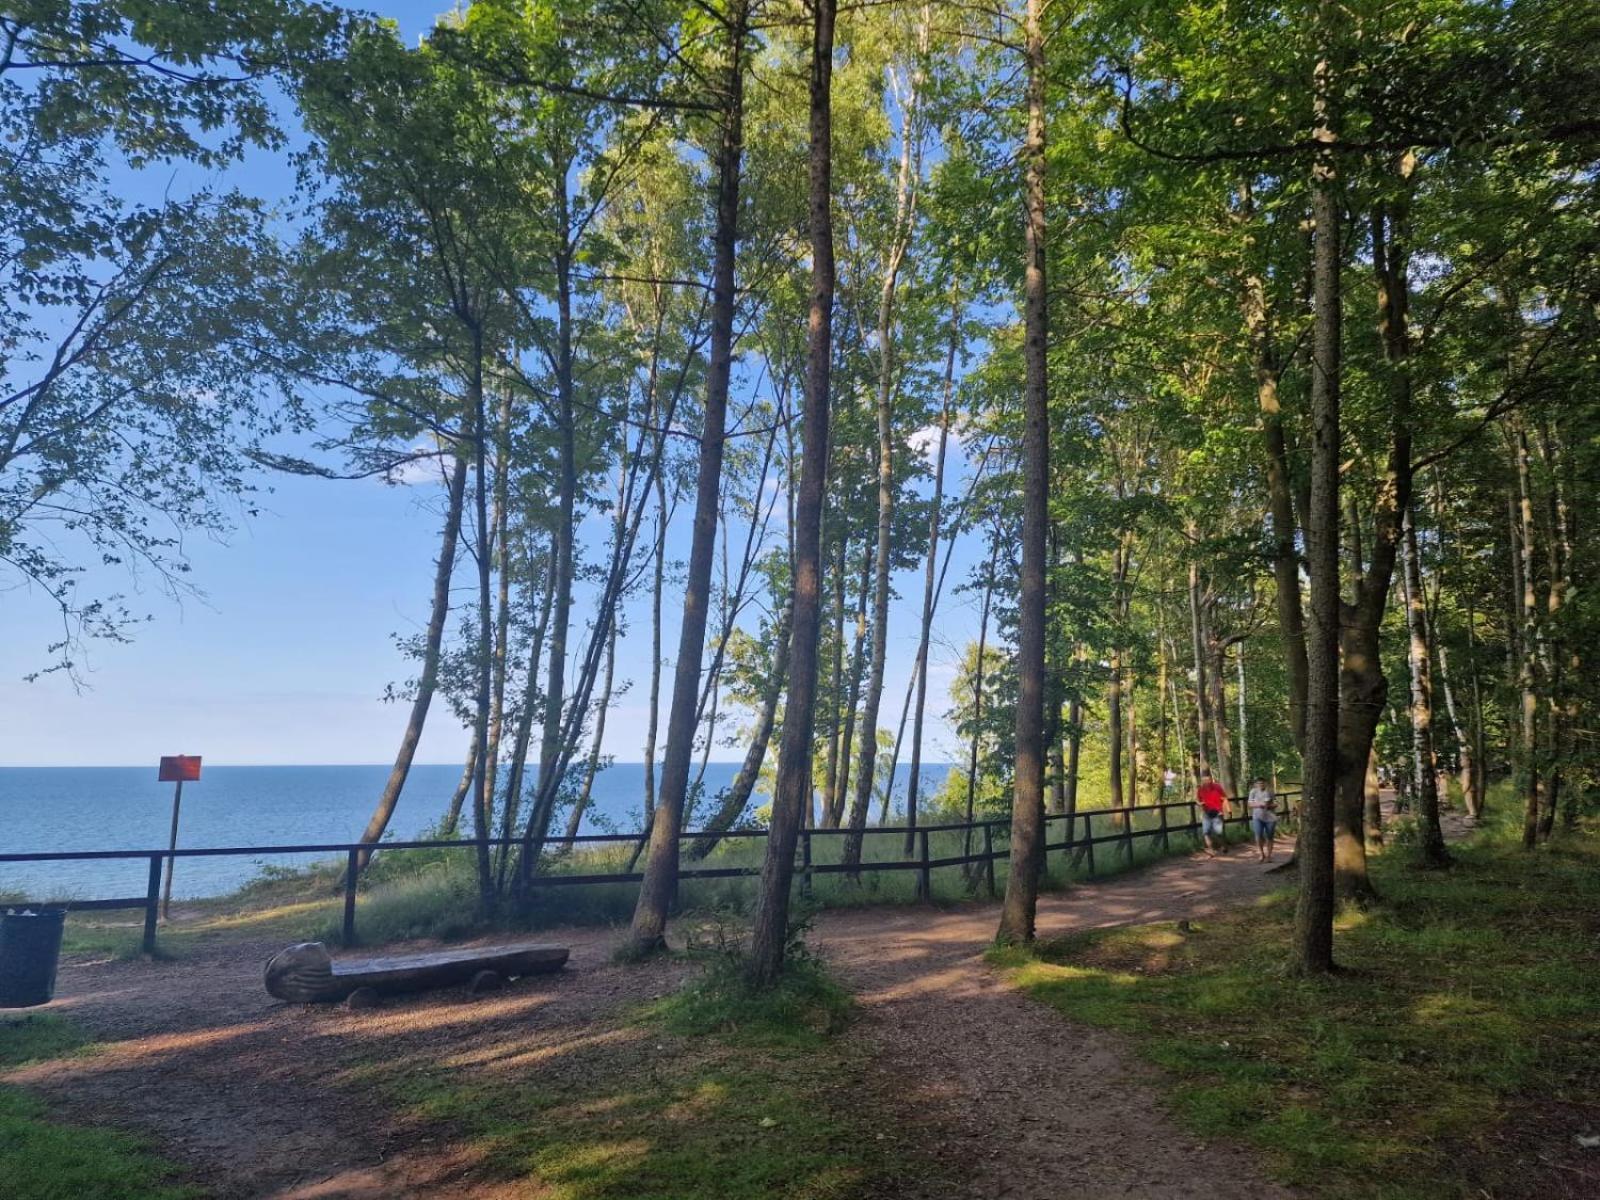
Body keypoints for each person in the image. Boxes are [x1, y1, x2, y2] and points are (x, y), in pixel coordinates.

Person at [1195, 770, 1230, 857]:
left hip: (1217, 813)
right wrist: (1199, 804)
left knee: (1219, 833)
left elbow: (1225, 798)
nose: (1206, 782)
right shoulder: (1200, 789)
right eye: (1204, 780)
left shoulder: (1217, 787)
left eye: (1208, 780)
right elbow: (1196, 799)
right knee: (1206, 832)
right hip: (1206, 813)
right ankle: (1211, 850)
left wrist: (1228, 810)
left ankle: (1223, 845)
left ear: (1211, 780)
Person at [1246, 776, 1278, 862]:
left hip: (1270, 817)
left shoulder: (1270, 791)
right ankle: (1261, 854)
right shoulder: (1253, 792)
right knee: (1258, 835)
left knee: (1269, 836)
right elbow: (1249, 804)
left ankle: (1269, 856)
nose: (1261, 785)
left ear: (1265, 783)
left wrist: (1268, 806)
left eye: (1262, 783)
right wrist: (1259, 805)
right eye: (1259, 783)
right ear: (1256, 784)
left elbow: (1276, 803)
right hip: (1257, 817)